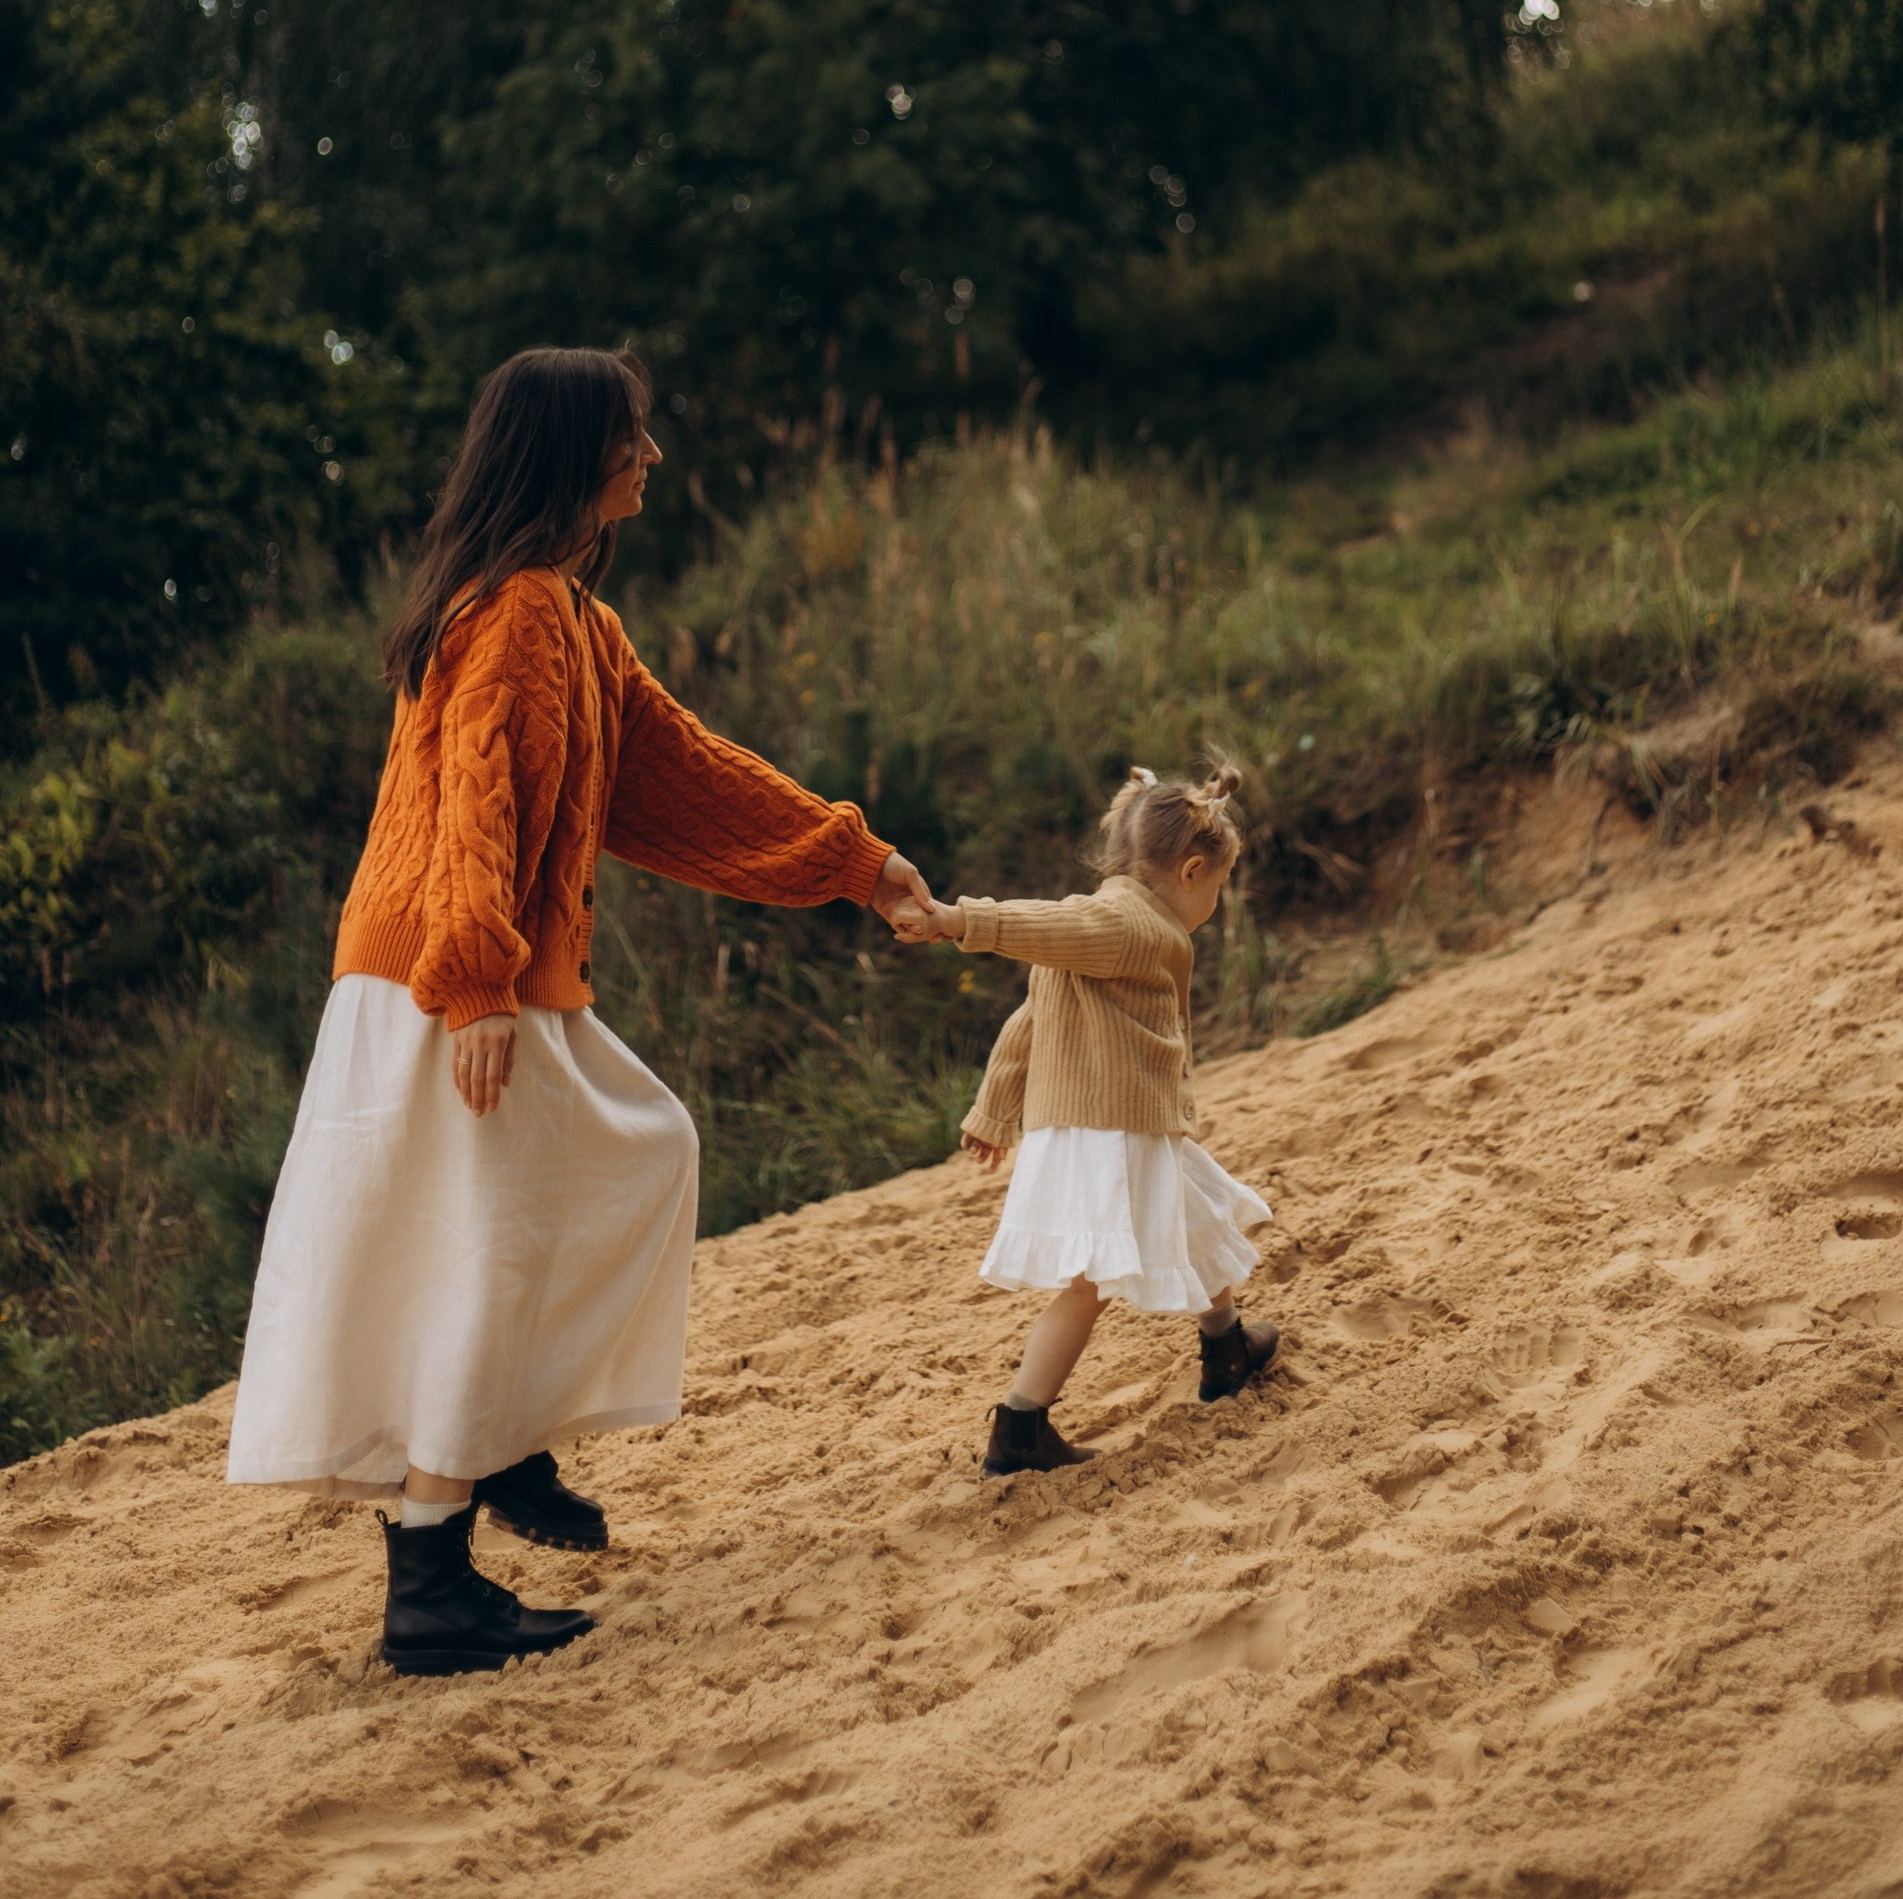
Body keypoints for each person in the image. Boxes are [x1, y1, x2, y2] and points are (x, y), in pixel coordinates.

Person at [227, 346, 932, 1674]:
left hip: (445, 975)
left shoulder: (566, 622)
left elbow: (687, 777)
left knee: (619, 1164)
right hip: (451, 981)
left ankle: (497, 1447)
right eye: (634, 438)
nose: (653, 457)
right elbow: (476, 794)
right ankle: (433, 1576)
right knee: (506, 1243)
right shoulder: (522, 613)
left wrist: (858, 862)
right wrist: (483, 984)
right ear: (575, 456)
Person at [899, 763, 1278, 1475]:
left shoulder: (1105, 923)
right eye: (1219, 889)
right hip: (1113, 1131)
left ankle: (1226, 1346)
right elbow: (1038, 924)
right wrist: (959, 921)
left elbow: (1034, 1014)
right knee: (1092, 1282)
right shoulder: (1123, 924)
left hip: (1125, 1122)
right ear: (1193, 871)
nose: (1216, 904)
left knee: (1195, 1213)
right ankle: (1020, 1424)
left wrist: (993, 1107)